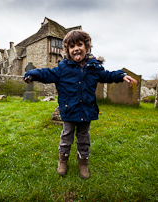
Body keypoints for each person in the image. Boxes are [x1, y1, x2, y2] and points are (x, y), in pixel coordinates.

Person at [24, 30, 137, 179]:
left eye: (79, 44)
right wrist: (32, 74)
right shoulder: (63, 68)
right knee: (66, 137)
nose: (76, 48)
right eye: (72, 46)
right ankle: (63, 160)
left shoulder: (94, 67)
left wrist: (121, 75)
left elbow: (107, 75)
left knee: (84, 138)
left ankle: (83, 163)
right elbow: (47, 74)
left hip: (86, 110)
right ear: (68, 51)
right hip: (69, 110)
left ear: (87, 47)